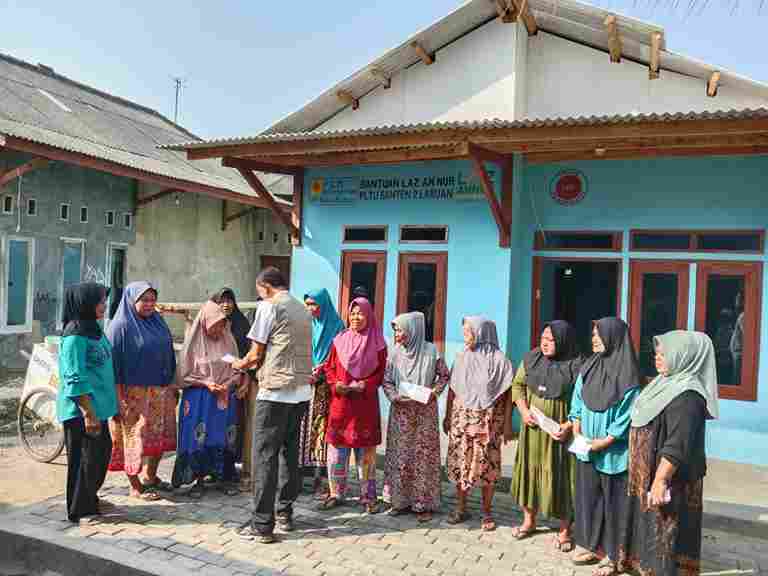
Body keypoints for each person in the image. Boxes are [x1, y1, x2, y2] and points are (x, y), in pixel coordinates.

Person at [622, 331, 719, 576]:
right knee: (652, 535)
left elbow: (677, 444)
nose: (657, 358)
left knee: (665, 539)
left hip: (670, 482)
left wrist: (660, 479)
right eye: (657, 353)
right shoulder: (664, 384)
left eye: (664, 354)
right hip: (651, 476)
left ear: (684, 357)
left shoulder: (688, 395)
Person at [233, 267, 313, 544]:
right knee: (289, 454)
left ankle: (262, 524)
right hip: (301, 391)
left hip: (276, 391)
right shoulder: (303, 309)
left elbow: (255, 354)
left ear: (265, 287)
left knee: (264, 456)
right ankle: (284, 513)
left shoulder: (269, 307)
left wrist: (237, 364)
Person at [568, 317, 641, 576]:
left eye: (599, 335)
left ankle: (612, 555)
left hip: (612, 451)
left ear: (613, 338)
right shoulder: (589, 366)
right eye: (593, 335)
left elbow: (627, 413)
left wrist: (607, 440)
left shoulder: (628, 375)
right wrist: (576, 423)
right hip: (586, 446)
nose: (594, 339)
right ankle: (589, 545)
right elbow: (578, 395)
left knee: (613, 503)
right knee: (588, 497)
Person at [508, 321, 582, 549]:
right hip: (532, 431)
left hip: (560, 433)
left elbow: (584, 400)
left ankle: (564, 530)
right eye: (543, 338)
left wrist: (569, 425)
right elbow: (518, 385)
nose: (545, 343)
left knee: (562, 476)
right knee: (529, 472)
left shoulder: (576, 365)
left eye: (551, 340)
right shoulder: (532, 359)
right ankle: (529, 521)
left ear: (563, 341)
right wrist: (523, 411)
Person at [107, 281, 177, 501]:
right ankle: (135, 485)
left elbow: (169, 353)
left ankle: (150, 476)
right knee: (134, 439)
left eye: (152, 300)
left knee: (158, 436)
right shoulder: (120, 327)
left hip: (159, 392)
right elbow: (113, 368)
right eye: (144, 300)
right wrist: (118, 400)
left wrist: (172, 386)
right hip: (132, 395)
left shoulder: (157, 321)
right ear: (131, 300)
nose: (149, 304)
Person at [444, 316, 514, 532]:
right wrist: (447, 415)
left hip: (488, 422)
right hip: (461, 420)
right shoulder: (461, 358)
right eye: (464, 332)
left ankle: (486, 511)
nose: (465, 337)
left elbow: (507, 395)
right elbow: (452, 389)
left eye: (469, 332)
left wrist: (508, 424)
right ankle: (461, 506)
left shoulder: (501, 362)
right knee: (460, 461)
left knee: (487, 465)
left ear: (482, 333)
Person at [319, 297, 387, 514]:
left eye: (361, 314)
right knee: (337, 452)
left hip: (364, 404)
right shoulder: (339, 339)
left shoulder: (378, 343)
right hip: (341, 404)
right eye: (353, 313)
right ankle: (336, 492)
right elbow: (329, 368)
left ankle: (368, 496)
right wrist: (334, 383)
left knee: (365, 452)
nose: (356, 317)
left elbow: (381, 373)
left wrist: (364, 384)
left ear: (369, 316)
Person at [172, 302, 247, 498]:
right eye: (215, 325)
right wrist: (206, 384)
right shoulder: (193, 344)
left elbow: (237, 367)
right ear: (204, 323)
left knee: (222, 436)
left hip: (223, 397)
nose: (219, 329)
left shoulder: (228, 341)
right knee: (199, 436)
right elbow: (183, 375)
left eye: (222, 324)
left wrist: (229, 383)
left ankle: (223, 477)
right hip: (199, 398)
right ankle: (197, 479)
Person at [56, 283, 117, 522]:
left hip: (99, 408)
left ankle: (90, 498)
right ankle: (80, 509)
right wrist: (88, 413)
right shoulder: (74, 335)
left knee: (99, 457)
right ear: (85, 303)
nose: (104, 305)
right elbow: (74, 377)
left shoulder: (93, 329)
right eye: (100, 301)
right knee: (83, 462)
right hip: (81, 411)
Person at [382, 311, 449, 523]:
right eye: (396, 330)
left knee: (423, 458)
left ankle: (424, 504)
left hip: (424, 413)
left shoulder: (431, 351)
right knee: (400, 456)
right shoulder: (394, 353)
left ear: (413, 330)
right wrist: (393, 397)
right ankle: (400, 501)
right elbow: (386, 380)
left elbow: (444, 376)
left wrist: (433, 393)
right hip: (401, 412)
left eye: (400, 330)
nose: (397, 335)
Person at [301, 288, 346, 497]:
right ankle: (301, 475)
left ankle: (322, 477)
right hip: (303, 383)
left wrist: (320, 371)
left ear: (324, 305)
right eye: (308, 304)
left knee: (321, 427)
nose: (310, 309)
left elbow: (339, 357)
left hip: (325, 387)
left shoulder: (337, 327)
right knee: (303, 428)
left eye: (314, 304)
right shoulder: (305, 324)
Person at [210, 288, 252, 489]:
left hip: (235, 383)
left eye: (230, 301)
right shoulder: (209, 324)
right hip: (213, 385)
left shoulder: (242, 325)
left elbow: (249, 355)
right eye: (222, 301)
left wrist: (245, 381)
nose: (226, 305)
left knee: (234, 427)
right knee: (213, 426)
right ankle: (213, 468)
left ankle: (229, 468)